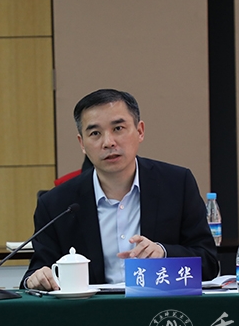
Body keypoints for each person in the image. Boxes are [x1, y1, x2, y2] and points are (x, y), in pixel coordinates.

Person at [22, 89, 219, 291]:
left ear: (140, 131)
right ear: (82, 143)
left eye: (118, 128)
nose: (108, 142)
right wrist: (35, 279)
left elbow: (209, 263)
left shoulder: (177, 185)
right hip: (91, 309)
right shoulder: (57, 204)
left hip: (159, 305)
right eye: (95, 133)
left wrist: (163, 253)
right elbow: (37, 272)